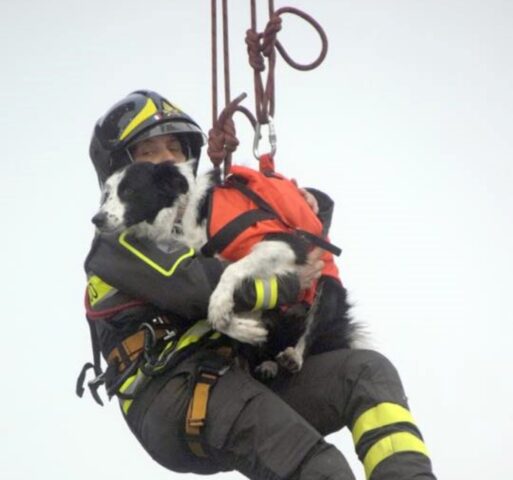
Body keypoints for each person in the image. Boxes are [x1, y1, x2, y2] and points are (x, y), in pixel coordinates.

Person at [78, 89, 437, 479]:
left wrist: (297, 211)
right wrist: (286, 283)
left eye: (174, 148)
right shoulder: (117, 242)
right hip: (176, 390)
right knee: (319, 467)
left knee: (366, 373)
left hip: (234, 377)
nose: (168, 158)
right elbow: (199, 290)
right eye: (149, 151)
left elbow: (264, 249)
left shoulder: (194, 223)